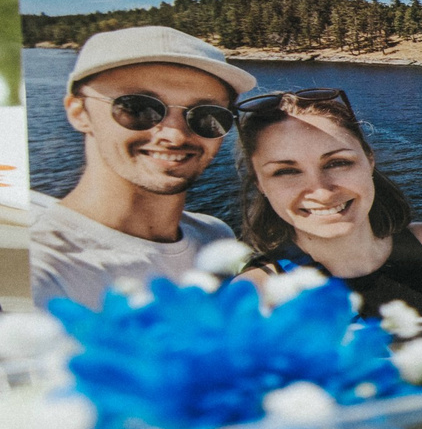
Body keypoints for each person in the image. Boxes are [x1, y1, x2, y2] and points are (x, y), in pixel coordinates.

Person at [31, 26, 255, 311]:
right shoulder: (38, 271)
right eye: (138, 109)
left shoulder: (214, 237)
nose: (175, 136)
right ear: (79, 113)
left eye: (207, 115)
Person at [237, 88, 422, 318]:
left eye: (337, 163)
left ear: (369, 160)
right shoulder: (254, 296)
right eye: (286, 171)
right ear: (259, 183)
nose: (322, 191)